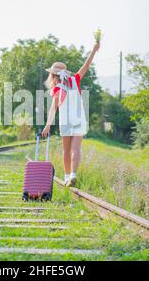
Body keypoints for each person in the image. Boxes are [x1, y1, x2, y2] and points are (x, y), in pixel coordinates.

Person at [41, 41, 100, 187]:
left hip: (66, 120)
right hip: (79, 118)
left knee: (66, 149)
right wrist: (94, 49)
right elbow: (86, 66)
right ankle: (73, 174)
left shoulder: (56, 89)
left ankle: (68, 176)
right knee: (76, 148)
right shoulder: (75, 80)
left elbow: (53, 108)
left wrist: (48, 124)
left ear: (53, 75)